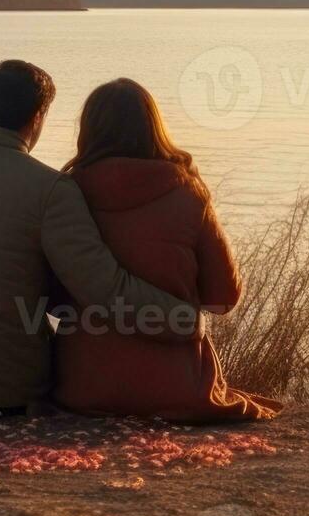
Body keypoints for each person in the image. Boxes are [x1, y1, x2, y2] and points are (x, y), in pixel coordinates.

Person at [0, 61, 201, 411]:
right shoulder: (51, 189)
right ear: (38, 117)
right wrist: (183, 319)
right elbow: (102, 289)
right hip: (10, 389)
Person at [52, 78, 280, 422]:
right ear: (154, 127)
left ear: (88, 130)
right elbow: (224, 296)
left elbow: (48, 293)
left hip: (83, 386)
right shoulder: (187, 192)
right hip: (178, 388)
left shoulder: (64, 196)